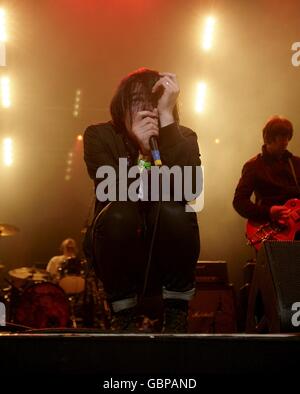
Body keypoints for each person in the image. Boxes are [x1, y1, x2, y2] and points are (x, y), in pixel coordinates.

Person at [83, 68, 201, 332]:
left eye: (155, 103)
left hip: (166, 246)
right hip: (119, 242)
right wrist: (140, 154)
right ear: (121, 107)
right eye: (137, 102)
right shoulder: (99, 136)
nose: (147, 110)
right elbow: (111, 190)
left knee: (175, 210)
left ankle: (176, 312)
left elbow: (191, 189)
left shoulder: (184, 137)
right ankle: (123, 314)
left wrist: (168, 121)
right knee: (119, 214)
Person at [233, 115, 300, 237]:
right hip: (269, 232)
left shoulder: (296, 164)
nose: (285, 142)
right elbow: (239, 202)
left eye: (287, 137)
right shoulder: (253, 166)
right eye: (280, 138)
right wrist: (268, 212)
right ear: (268, 138)